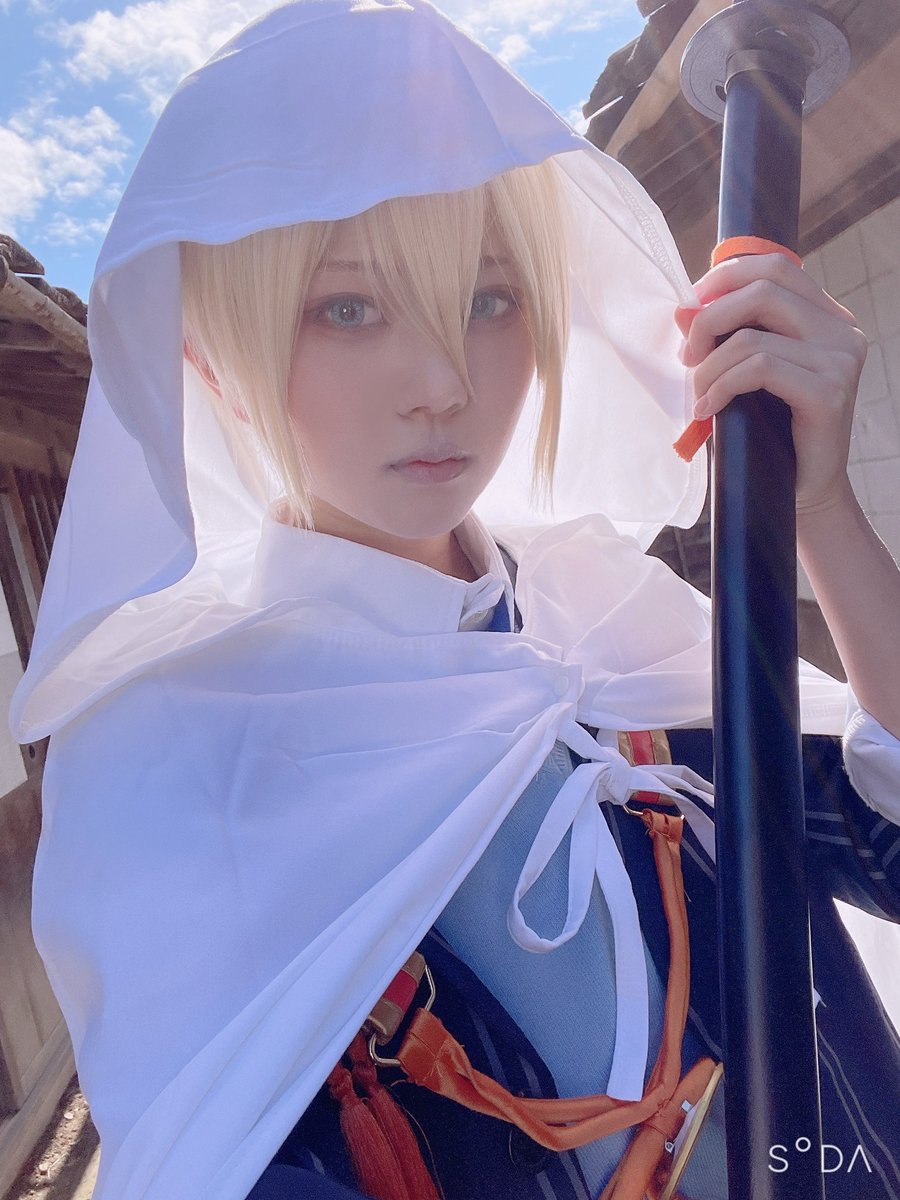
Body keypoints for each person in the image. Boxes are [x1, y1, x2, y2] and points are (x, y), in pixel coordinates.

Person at [9, 1, 900, 1198]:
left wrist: (819, 505)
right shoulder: (168, 748)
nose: (440, 382)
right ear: (210, 361)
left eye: (489, 299)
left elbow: (888, 854)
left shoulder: (600, 618)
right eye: (347, 309)